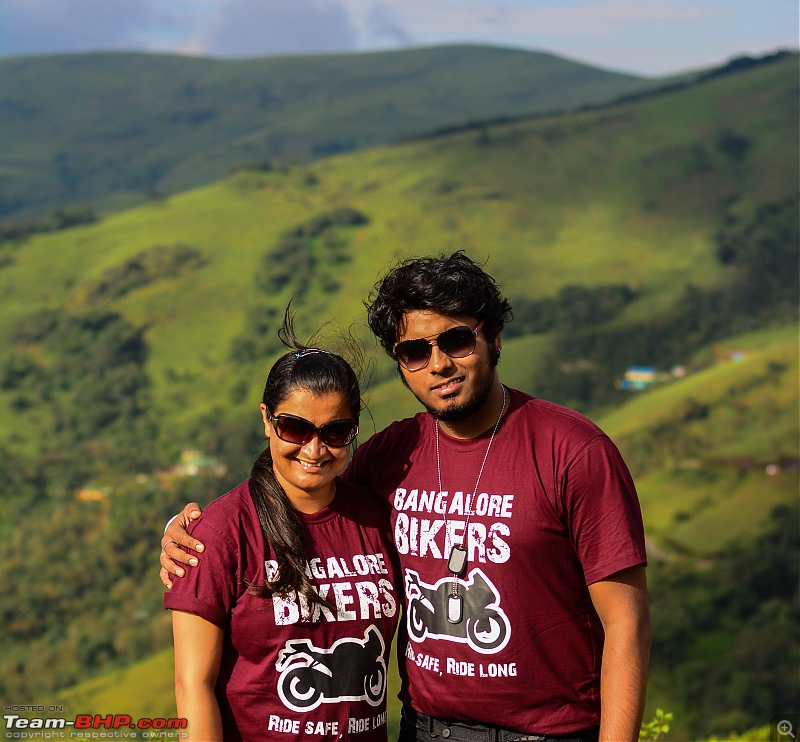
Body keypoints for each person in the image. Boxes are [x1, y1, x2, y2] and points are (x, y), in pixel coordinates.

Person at [162, 252, 651, 742]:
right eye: (414, 351)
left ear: (494, 337)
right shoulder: (391, 455)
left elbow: (626, 626)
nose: (438, 364)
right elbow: (309, 495)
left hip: (551, 733)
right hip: (423, 731)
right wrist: (192, 535)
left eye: (457, 340)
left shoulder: (573, 452)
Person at [163, 317, 400, 741]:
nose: (314, 449)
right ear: (267, 420)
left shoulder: (377, 520)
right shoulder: (221, 533)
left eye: (335, 432)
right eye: (295, 428)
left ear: (354, 430)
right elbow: (193, 685)